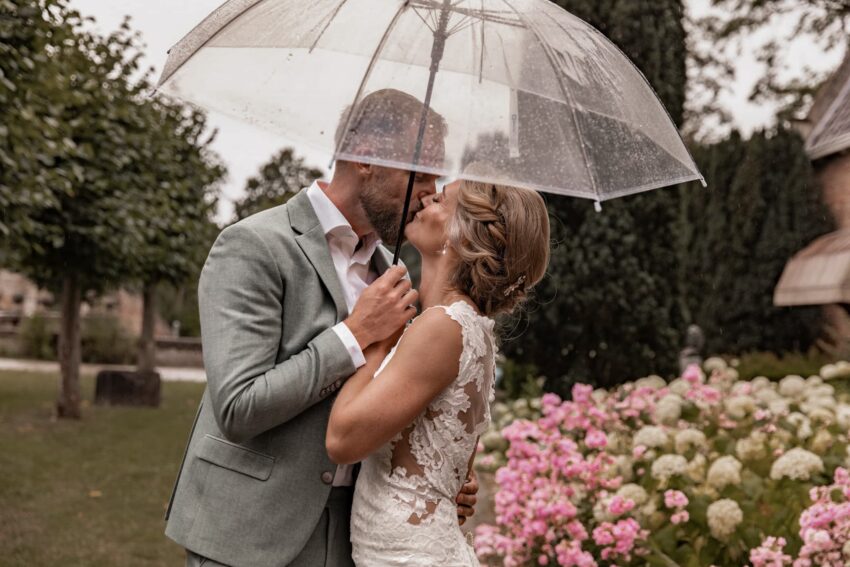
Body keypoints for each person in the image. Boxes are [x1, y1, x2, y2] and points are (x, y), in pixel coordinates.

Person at [164, 89, 479, 567]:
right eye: (424, 170)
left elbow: (381, 407)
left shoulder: (393, 274)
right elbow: (237, 406)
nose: (431, 190)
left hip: (354, 536)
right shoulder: (253, 246)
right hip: (250, 533)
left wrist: (432, 480)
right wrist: (353, 335)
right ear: (367, 157)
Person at [326, 176, 551, 565]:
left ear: (460, 235)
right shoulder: (463, 325)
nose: (426, 197)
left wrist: (378, 339)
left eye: (440, 199)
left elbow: (342, 440)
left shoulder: (443, 327)